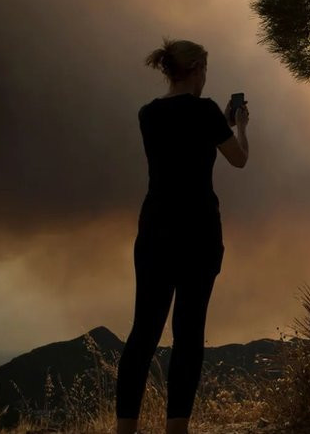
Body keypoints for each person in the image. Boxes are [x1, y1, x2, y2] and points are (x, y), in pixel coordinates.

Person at [115, 38, 249, 434]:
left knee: (144, 332)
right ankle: (176, 430)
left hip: (155, 230)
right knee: (188, 334)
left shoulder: (148, 115)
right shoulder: (206, 112)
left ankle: (125, 430)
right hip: (198, 232)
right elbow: (239, 158)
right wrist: (239, 126)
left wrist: (218, 123)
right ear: (195, 70)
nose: (206, 78)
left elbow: (182, 142)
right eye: (205, 70)